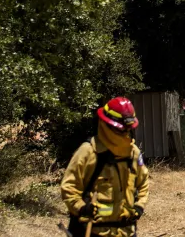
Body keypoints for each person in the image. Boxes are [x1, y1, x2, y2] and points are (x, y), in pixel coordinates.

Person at [61, 96, 149, 237]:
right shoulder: (88, 152)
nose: (124, 134)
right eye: (121, 130)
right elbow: (69, 187)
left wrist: (139, 206)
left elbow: (143, 183)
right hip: (93, 232)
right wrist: (82, 208)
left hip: (126, 231)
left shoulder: (133, 153)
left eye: (127, 130)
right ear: (106, 125)